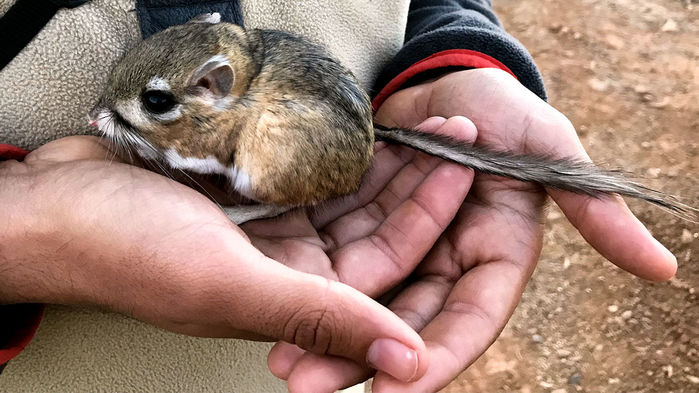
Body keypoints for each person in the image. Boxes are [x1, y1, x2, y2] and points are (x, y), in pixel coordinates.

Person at [0, 1, 677, 392]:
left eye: (148, 105)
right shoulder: (207, 89)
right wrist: (22, 229)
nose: (104, 123)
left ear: (213, 87)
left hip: (294, 351)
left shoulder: (221, 108)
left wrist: (447, 45)